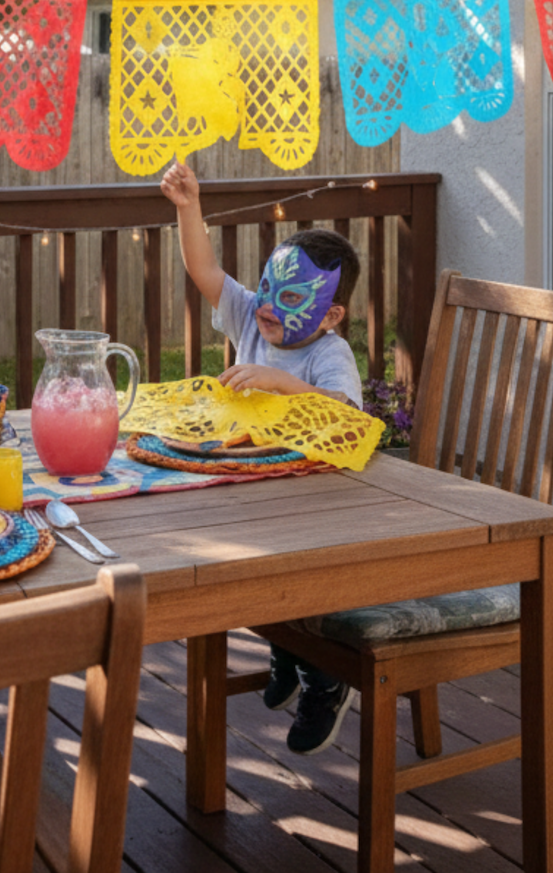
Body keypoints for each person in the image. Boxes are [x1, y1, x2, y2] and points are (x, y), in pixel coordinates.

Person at [161, 158, 362, 755]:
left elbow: (349, 419)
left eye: (292, 296)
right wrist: (188, 206)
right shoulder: (254, 316)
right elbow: (205, 270)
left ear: (329, 314)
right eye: (269, 287)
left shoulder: (329, 355)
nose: (271, 305)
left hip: (318, 503)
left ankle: (324, 679)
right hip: (252, 487)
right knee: (244, 562)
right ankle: (286, 650)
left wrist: (283, 386)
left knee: (289, 570)